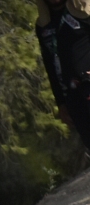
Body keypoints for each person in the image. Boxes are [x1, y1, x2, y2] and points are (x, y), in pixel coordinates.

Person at [34, 0, 90, 149]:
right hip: (73, 97)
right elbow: (50, 66)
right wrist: (61, 103)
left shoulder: (82, 11)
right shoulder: (43, 25)